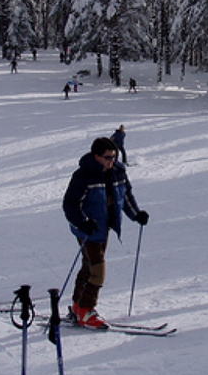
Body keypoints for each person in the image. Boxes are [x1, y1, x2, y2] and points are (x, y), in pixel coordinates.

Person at [63, 137, 149, 329]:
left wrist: (137, 215)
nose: (112, 161)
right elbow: (70, 204)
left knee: (88, 267)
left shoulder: (118, 172)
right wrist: (83, 223)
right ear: (96, 156)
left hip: (105, 227)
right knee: (97, 271)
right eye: (107, 157)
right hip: (87, 229)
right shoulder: (84, 175)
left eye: (114, 156)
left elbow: (126, 196)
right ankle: (87, 310)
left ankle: (78, 306)